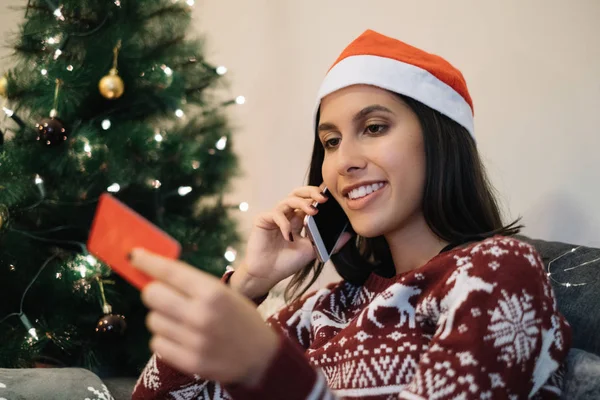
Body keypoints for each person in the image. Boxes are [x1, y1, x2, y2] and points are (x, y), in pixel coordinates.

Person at [131, 29, 572, 399]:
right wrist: (248, 284)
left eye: (374, 128)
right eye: (331, 141)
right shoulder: (325, 308)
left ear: (441, 141)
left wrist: (270, 368)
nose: (344, 162)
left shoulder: (497, 273)